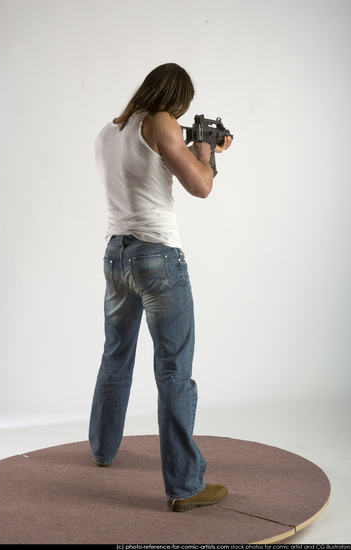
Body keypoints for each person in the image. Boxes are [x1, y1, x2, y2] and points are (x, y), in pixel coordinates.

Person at [89, 63, 232, 512]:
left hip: (116, 255)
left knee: (116, 355)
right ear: (176, 99)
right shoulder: (162, 122)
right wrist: (207, 150)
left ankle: (102, 450)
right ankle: (186, 486)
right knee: (174, 370)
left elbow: (148, 169)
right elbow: (202, 187)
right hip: (158, 259)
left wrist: (193, 147)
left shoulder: (110, 132)